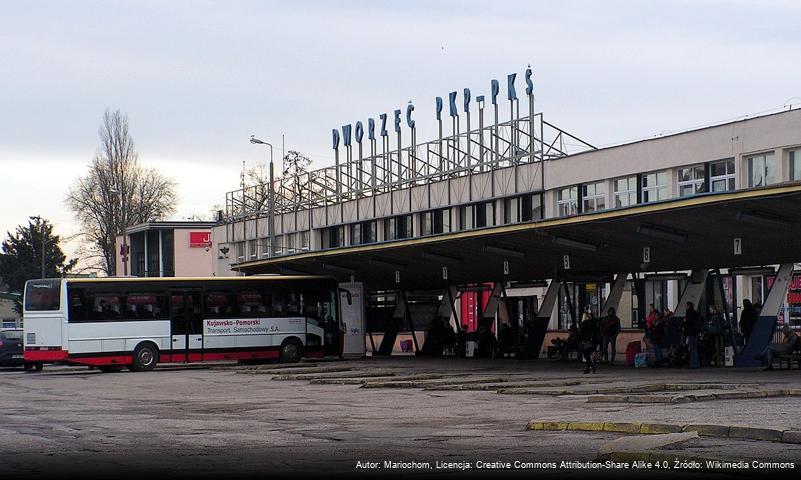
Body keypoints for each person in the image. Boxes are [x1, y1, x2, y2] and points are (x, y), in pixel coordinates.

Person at [683, 301, 703, 369]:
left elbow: (689, 323)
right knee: (694, 349)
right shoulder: (695, 313)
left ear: (689, 306)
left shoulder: (689, 314)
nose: (685, 307)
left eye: (686, 306)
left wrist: (686, 321)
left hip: (691, 333)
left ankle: (693, 364)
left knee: (692, 349)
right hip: (695, 332)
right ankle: (696, 363)